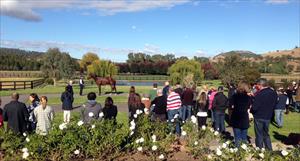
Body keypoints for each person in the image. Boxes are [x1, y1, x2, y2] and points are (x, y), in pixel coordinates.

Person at [250, 78, 278, 151]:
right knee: (266, 134)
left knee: (259, 135)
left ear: (260, 85)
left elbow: (255, 107)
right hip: (268, 116)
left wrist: (251, 110)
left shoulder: (260, 94)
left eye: (257, 85)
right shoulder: (273, 93)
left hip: (259, 116)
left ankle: (260, 150)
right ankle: (269, 149)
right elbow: (275, 104)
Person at [231, 82, 252, 147]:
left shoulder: (234, 96)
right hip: (244, 118)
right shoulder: (248, 97)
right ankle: (243, 151)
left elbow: (231, 107)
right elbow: (249, 107)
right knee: (244, 137)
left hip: (236, 117)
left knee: (237, 138)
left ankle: (238, 153)